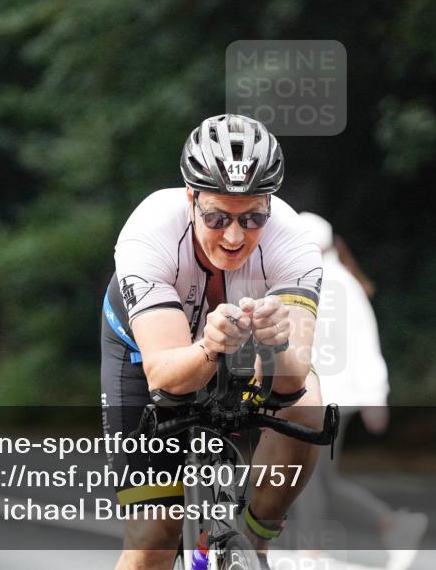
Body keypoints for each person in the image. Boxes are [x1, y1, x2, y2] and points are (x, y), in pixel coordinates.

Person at [100, 114, 326, 570]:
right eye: (217, 217)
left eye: (253, 217)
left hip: (245, 346)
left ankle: (254, 543)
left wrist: (279, 346)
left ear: (270, 204)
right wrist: (208, 348)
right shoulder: (149, 232)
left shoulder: (294, 242)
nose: (235, 236)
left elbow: (291, 384)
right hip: (148, 351)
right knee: (152, 540)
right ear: (191, 198)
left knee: (308, 408)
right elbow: (165, 377)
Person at [293, 212, 427, 570]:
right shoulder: (317, 282)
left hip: (330, 399)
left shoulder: (338, 285)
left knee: (307, 476)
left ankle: (311, 551)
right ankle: (392, 524)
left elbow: (365, 342)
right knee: (319, 478)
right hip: (321, 397)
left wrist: (375, 396)